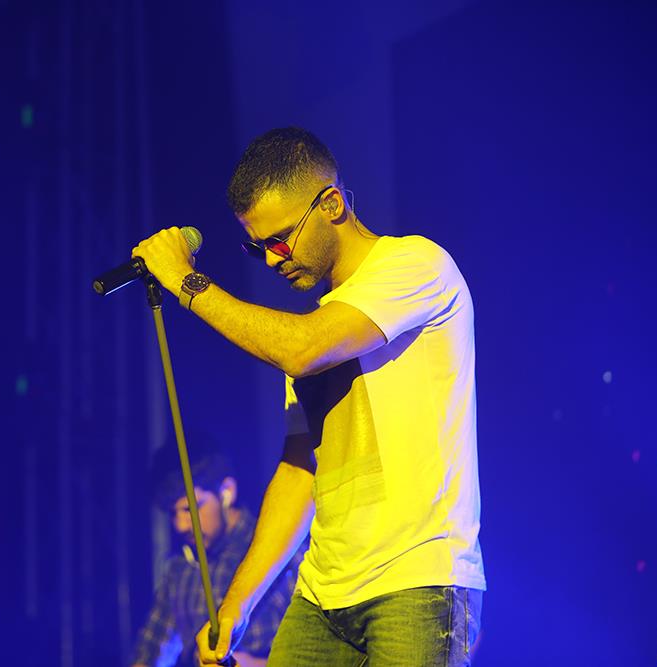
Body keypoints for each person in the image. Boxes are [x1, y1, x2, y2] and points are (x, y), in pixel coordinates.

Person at [132, 127, 485, 666]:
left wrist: (185, 281)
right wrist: (237, 603)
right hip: (321, 596)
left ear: (332, 205)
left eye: (280, 239)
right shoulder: (312, 328)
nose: (273, 259)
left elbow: (302, 349)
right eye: (258, 248)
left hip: (416, 582)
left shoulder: (415, 265)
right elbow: (300, 473)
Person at [130, 435, 301, 667]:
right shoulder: (180, 569)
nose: (180, 525)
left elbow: (324, 652)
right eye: (173, 513)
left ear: (227, 491)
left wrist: (256, 664)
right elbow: (151, 651)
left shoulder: (280, 550)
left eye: (190, 508)